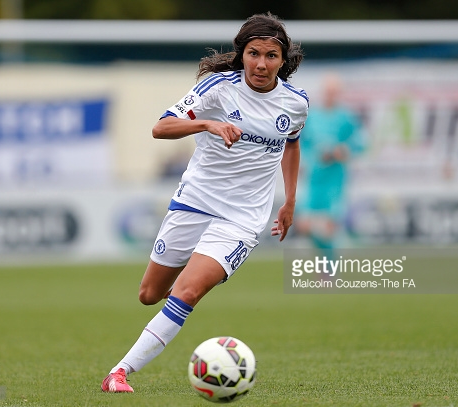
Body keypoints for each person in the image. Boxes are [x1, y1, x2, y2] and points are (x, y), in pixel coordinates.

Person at [101, 12, 308, 393]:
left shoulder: (295, 103)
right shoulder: (217, 88)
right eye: (254, 53)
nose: (261, 64)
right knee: (149, 295)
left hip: (244, 218)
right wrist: (206, 123)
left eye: (271, 56)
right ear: (241, 53)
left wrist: (290, 200)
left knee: (187, 292)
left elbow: (291, 145)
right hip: (195, 201)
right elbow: (160, 127)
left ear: (283, 60)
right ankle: (177, 295)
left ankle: (119, 372)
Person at [295, 73, 365, 258]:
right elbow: (302, 143)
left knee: (328, 228)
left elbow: (361, 142)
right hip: (314, 179)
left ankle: (329, 270)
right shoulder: (312, 116)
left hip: (334, 180)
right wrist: (304, 161)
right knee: (305, 226)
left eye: (334, 92)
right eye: (328, 91)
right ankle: (333, 253)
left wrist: (344, 150)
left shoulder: (346, 117)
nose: (330, 95)